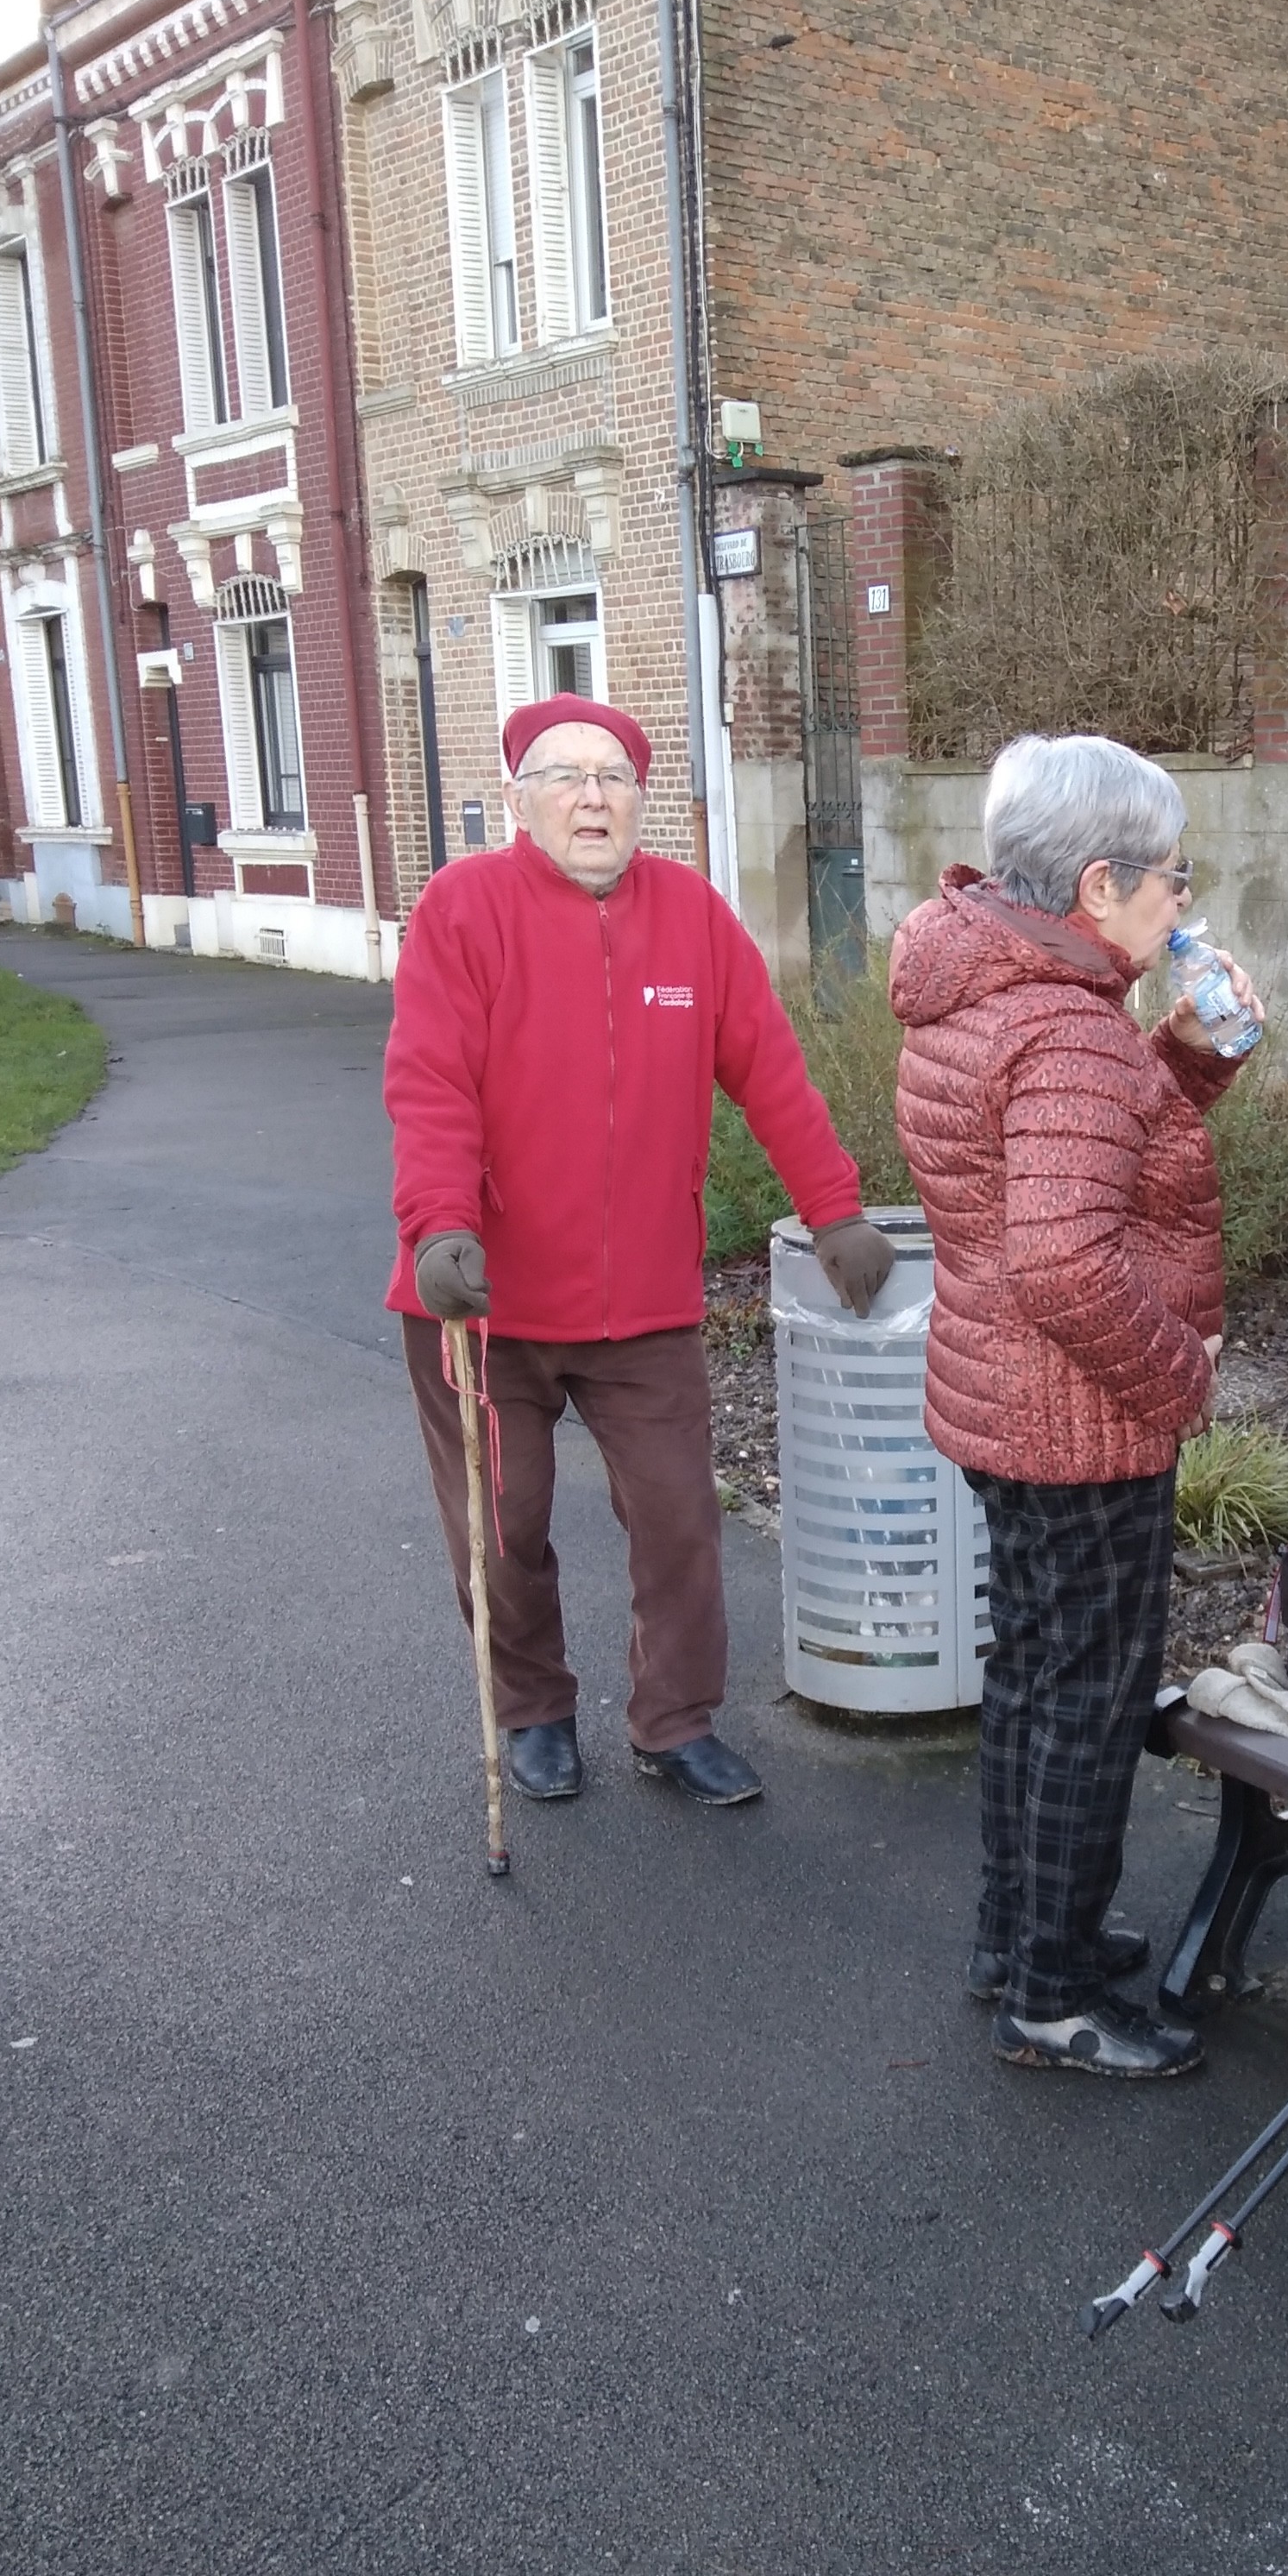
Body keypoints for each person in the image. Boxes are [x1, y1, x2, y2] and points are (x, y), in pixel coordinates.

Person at [384, 696, 896, 1807]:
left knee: (678, 1523)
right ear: (521, 798)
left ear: (640, 798)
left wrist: (835, 1208)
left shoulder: (694, 918)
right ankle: (533, 1712)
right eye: (565, 776)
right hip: (483, 1296)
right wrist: (439, 1226)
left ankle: (674, 1721)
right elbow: (429, 1082)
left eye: (613, 776)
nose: (592, 798)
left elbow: (770, 1070)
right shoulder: (463, 910)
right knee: (505, 1527)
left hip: (642, 1304)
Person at [890, 734, 1260, 2079]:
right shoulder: (1061, 1025)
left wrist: (1189, 1057)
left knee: (1035, 1674)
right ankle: (1051, 1996)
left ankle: (1023, 1933)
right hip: (1082, 1423)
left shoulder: (988, 981)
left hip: (1006, 1404)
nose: (1183, 903)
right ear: (1098, 887)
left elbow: (1081, 1146)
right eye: (1170, 879)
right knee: (1087, 1699)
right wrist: (1184, 1376)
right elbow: (1063, 1257)